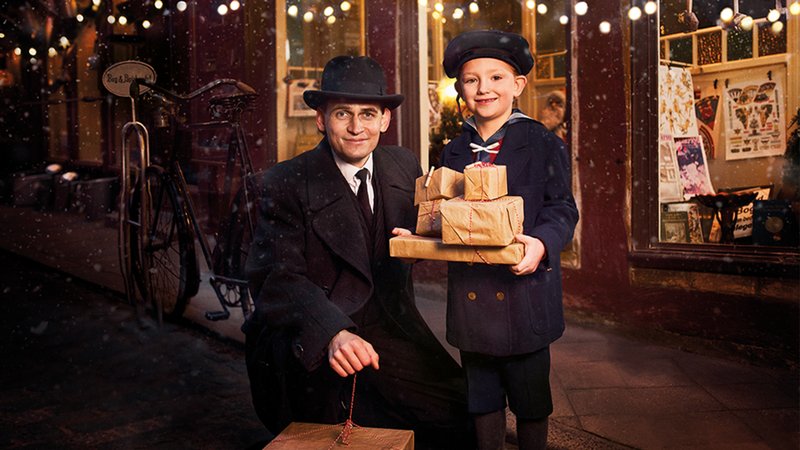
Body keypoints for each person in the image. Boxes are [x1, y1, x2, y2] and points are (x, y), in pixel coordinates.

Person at [242, 55, 473, 449]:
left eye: (367, 114)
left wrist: (445, 230)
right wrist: (332, 332)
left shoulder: (401, 164)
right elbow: (275, 277)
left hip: (389, 330)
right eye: (342, 114)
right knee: (348, 434)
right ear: (321, 119)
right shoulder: (287, 180)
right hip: (314, 339)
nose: (355, 128)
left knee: (463, 412)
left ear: (385, 120)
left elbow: (419, 229)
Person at [440, 30, 579, 450]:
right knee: (481, 397)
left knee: (530, 399)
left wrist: (540, 243)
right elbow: (443, 211)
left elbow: (562, 210)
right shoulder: (452, 151)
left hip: (524, 294)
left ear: (517, 85)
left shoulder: (542, 143)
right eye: (471, 80)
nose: (484, 89)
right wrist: (420, 231)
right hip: (471, 296)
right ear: (460, 89)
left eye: (497, 77)